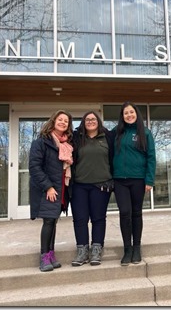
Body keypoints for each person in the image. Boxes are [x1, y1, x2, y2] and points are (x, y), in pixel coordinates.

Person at [29, 110, 74, 272]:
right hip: (48, 189)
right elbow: (34, 167)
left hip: (61, 187)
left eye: (66, 121)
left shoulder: (65, 144)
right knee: (48, 221)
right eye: (60, 119)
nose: (63, 122)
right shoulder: (41, 142)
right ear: (53, 121)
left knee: (53, 221)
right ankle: (44, 257)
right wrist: (48, 186)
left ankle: (51, 253)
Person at [112, 101, 156, 266]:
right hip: (119, 180)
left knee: (136, 213)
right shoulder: (117, 132)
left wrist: (149, 179)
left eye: (131, 112)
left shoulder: (145, 133)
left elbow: (151, 157)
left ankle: (137, 248)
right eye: (125, 113)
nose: (129, 115)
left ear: (136, 114)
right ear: (122, 116)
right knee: (125, 212)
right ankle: (127, 249)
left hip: (138, 180)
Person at [69, 111, 114, 266]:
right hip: (79, 185)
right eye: (87, 119)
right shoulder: (76, 138)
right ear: (83, 122)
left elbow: (114, 158)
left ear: (98, 121)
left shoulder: (107, 137)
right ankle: (82, 251)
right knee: (80, 219)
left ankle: (96, 249)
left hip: (101, 185)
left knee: (98, 218)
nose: (90, 121)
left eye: (93, 119)